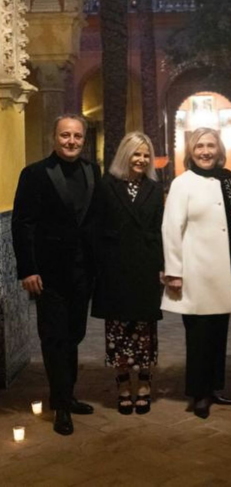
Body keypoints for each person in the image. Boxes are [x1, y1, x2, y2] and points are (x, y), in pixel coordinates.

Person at [12, 114, 100, 435]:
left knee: (74, 335)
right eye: (65, 135)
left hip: (82, 272)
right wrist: (28, 269)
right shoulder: (35, 174)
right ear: (54, 137)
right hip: (47, 275)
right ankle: (61, 406)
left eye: (77, 136)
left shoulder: (93, 171)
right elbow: (22, 224)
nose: (71, 141)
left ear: (84, 139)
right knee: (54, 338)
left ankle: (66, 394)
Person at [161, 128, 231, 419]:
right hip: (196, 273)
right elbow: (171, 229)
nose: (206, 151)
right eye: (200, 146)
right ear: (191, 151)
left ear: (219, 149)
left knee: (219, 333)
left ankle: (215, 387)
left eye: (211, 145)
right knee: (198, 337)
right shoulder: (182, 183)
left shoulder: (230, 181)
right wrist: (174, 272)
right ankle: (199, 393)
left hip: (224, 272)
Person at [91, 132, 164, 416]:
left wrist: (161, 266)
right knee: (119, 331)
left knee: (145, 330)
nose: (141, 159)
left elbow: (159, 230)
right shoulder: (107, 185)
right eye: (136, 154)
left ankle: (144, 384)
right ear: (125, 154)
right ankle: (122, 385)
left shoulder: (155, 189)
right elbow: (97, 226)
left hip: (145, 266)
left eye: (146, 155)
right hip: (115, 267)